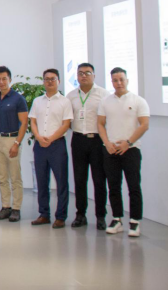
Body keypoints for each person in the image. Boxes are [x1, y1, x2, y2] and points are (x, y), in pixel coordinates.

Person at [98, 67, 150, 238]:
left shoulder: (138, 101)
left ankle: (135, 221)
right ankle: (117, 219)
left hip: (131, 150)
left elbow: (144, 125)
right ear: (111, 81)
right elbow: (100, 124)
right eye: (115, 80)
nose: (118, 83)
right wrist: (107, 143)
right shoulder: (105, 101)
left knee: (133, 186)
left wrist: (128, 143)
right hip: (111, 150)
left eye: (121, 79)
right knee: (113, 186)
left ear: (127, 80)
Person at [66, 62, 109, 230]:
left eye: (87, 73)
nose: (84, 76)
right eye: (80, 73)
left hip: (97, 141)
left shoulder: (103, 95)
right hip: (78, 140)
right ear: (77, 76)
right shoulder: (71, 96)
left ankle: (100, 216)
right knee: (79, 179)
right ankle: (80, 214)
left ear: (94, 75)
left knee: (99, 180)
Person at [30, 69, 73, 229]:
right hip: (40, 145)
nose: (49, 81)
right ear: (43, 81)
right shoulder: (37, 101)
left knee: (61, 182)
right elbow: (33, 122)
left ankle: (60, 216)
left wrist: (51, 138)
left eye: (52, 79)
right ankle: (44, 214)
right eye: (46, 79)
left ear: (58, 81)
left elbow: (66, 124)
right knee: (42, 181)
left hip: (57, 145)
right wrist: (39, 137)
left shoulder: (65, 102)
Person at [0, 66, 29, 223]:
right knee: (2, 177)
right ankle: (5, 206)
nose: (1, 82)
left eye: (4, 79)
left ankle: (16, 208)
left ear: (10, 79)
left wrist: (16, 143)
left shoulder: (18, 99)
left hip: (12, 139)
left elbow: (24, 123)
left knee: (15, 177)